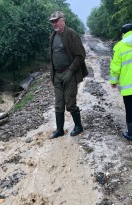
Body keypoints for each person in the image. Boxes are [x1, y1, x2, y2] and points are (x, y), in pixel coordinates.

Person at [49, 11, 88, 139]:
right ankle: (59, 129)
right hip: (57, 75)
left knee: (70, 103)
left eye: (56, 21)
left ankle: (78, 126)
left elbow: (80, 55)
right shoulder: (53, 36)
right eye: (52, 21)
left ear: (63, 20)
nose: (54, 23)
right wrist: (53, 75)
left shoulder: (71, 34)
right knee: (58, 104)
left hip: (69, 73)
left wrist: (71, 71)